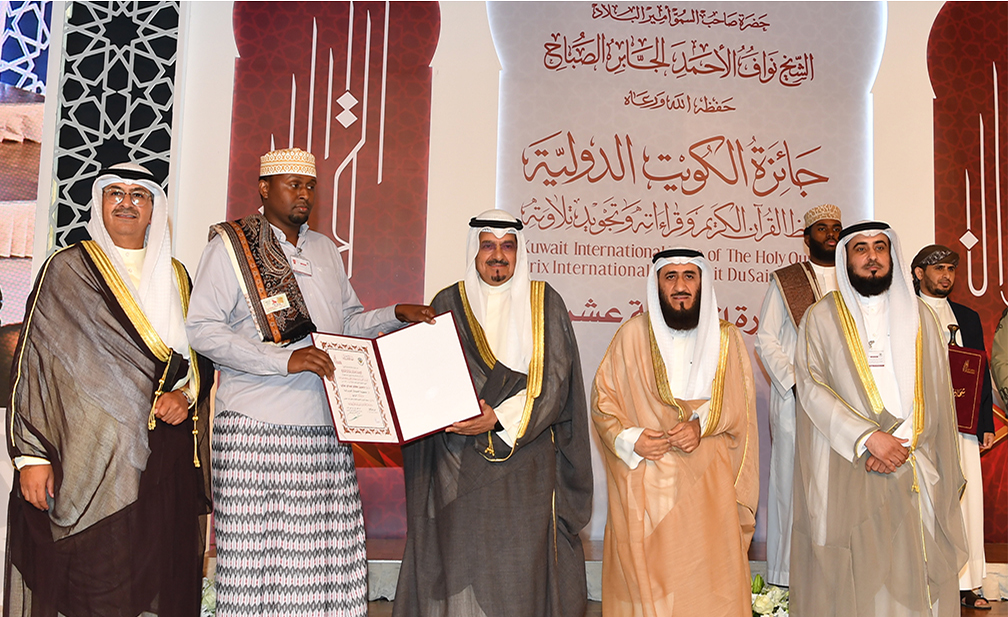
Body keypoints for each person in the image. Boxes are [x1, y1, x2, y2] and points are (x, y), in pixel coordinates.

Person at [185, 148, 433, 617]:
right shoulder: (231, 248)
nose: (303, 193)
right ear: (264, 188)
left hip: (324, 428)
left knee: (327, 561)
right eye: (292, 184)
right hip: (256, 428)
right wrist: (283, 359)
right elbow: (202, 330)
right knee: (258, 563)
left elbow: (348, 323)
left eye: (310, 185)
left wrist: (394, 315)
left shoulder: (323, 249)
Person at [4, 162, 212, 616]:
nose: (126, 202)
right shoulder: (67, 269)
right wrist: (31, 456)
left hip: (163, 459)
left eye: (139, 195)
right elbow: (35, 364)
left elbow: (201, 357)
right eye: (115, 192)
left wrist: (187, 395)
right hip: (86, 463)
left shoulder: (177, 276)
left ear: (155, 209)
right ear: (99, 203)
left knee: (158, 577)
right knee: (92, 584)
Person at [393, 209, 593, 617]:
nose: (497, 256)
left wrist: (497, 417)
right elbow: (429, 377)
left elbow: (555, 380)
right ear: (475, 251)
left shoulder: (544, 301)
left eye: (507, 247)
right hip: (458, 467)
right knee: (457, 567)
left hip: (526, 467)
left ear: (519, 253)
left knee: (521, 574)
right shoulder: (447, 302)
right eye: (488, 246)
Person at [792, 222, 967, 617]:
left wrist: (899, 444)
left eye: (880, 248)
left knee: (911, 573)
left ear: (892, 256)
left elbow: (935, 390)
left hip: (911, 459)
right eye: (861, 249)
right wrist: (869, 438)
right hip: (848, 463)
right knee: (855, 578)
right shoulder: (821, 318)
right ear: (846, 259)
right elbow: (812, 387)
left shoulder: (919, 316)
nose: (872, 257)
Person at [591, 247, 759, 617]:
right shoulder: (632, 336)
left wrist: (703, 424)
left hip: (707, 493)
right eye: (670, 277)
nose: (680, 286)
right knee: (649, 589)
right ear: (657, 285)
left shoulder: (727, 339)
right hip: (648, 493)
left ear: (702, 283)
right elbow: (604, 402)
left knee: (708, 588)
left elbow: (739, 405)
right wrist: (632, 437)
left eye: (689, 277)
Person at [755, 204, 842, 587]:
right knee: (793, 486)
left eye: (837, 228)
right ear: (807, 238)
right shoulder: (787, 280)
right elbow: (766, 338)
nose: (831, 234)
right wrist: (794, 382)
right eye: (822, 229)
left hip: (847, 405)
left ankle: (834, 579)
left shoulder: (856, 278)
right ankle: (785, 579)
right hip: (794, 403)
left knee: (839, 489)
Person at [910, 244, 994, 610]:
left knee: (966, 499)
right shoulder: (904, 312)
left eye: (950, 269)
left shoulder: (968, 316)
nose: (946, 275)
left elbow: (981, 370)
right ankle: (922, 578)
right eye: (938, 268)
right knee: (924, 502)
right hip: (919, 425)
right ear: (918, 273)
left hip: (963, 425)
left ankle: (968, 582)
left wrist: (985, 422)